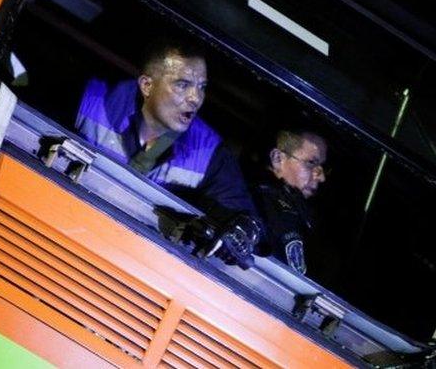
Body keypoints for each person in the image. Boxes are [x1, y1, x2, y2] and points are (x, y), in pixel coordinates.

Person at [74, 37, 262, 268]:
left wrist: (243, 231)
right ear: (147, 85)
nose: (195, 98)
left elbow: (245, 218)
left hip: (138, 261)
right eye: (183, 85)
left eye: (201, 87)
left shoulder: (208, 150)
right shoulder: (92, 99)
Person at [252, 128, 328, 275]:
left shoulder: (300, 208)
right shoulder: (262, 203)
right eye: (311, 163)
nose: (321, 177)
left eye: (323, 168)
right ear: (278, 159)